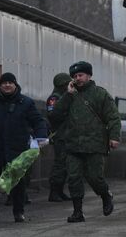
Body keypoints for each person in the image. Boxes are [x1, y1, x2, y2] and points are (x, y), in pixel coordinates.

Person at [50, 61, 121, 222]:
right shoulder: (68, 95)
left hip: (95, 144)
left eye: (80, 75)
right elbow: (54, 116)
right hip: (73, 145)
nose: (77, 78)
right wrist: (67, 95)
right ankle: (78, 212)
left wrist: (114, 137)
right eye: (74, 76)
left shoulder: (99, 94)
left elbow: (113, 117)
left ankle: (105, 195)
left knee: (95, 177)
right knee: (74, 178)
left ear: (89, 75)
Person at [0, 72, 48, 223]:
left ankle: (18, 212)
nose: (7, 85)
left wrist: (41, 137)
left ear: (15, 85)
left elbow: (38, 121)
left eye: (10, 83)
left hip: (17, 148)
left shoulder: (25, 102)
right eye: (4, 83)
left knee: (18, 182)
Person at [46, 73, 73, 202]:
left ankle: (60, 191)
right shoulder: (55, 98)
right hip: (60, 136)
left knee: (66, 165)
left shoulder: (66, 96)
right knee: (60, 164)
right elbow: (53, 115)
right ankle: (54, 191)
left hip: (67, 135)